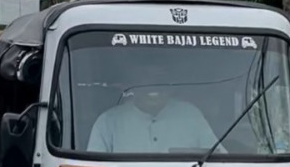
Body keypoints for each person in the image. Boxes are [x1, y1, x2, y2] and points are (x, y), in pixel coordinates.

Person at [85, 66, 221, 154]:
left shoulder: (190, 115)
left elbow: (220, 159)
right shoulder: (108, 121)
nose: (154, 86)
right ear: (133, 85)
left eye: (160, 79)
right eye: (146, 80)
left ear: (171, 87)